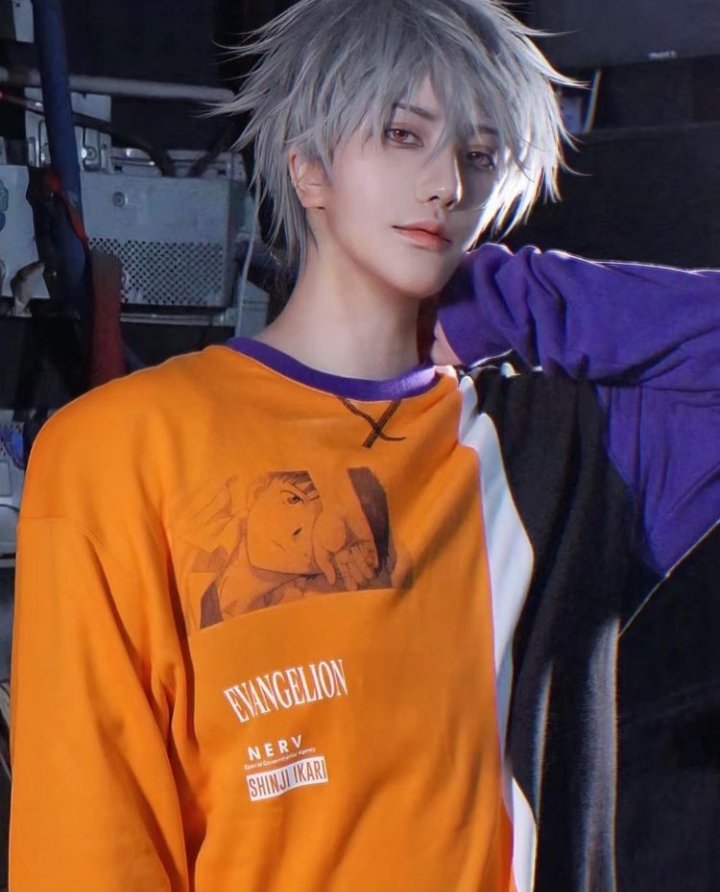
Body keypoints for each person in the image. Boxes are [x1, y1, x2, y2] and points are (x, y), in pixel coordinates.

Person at [9, 0, 719, 890]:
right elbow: (87, 835)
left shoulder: (561, 449)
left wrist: (506, 299)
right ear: (307, 166)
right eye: (401, 134)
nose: (446, 185)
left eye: (479, 154)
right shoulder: (119, 450)